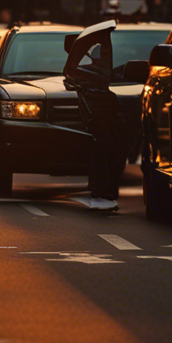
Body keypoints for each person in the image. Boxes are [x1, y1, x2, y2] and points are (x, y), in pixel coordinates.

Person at [62, 21, 123, 211]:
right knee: (104, 146)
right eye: (103, 53)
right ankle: (102, 188)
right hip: (98, 116)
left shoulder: (118, 74)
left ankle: (105, 188)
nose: (106, 56)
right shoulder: (89, 73)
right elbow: (73, 77)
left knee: (111, 148)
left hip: (115, 114)